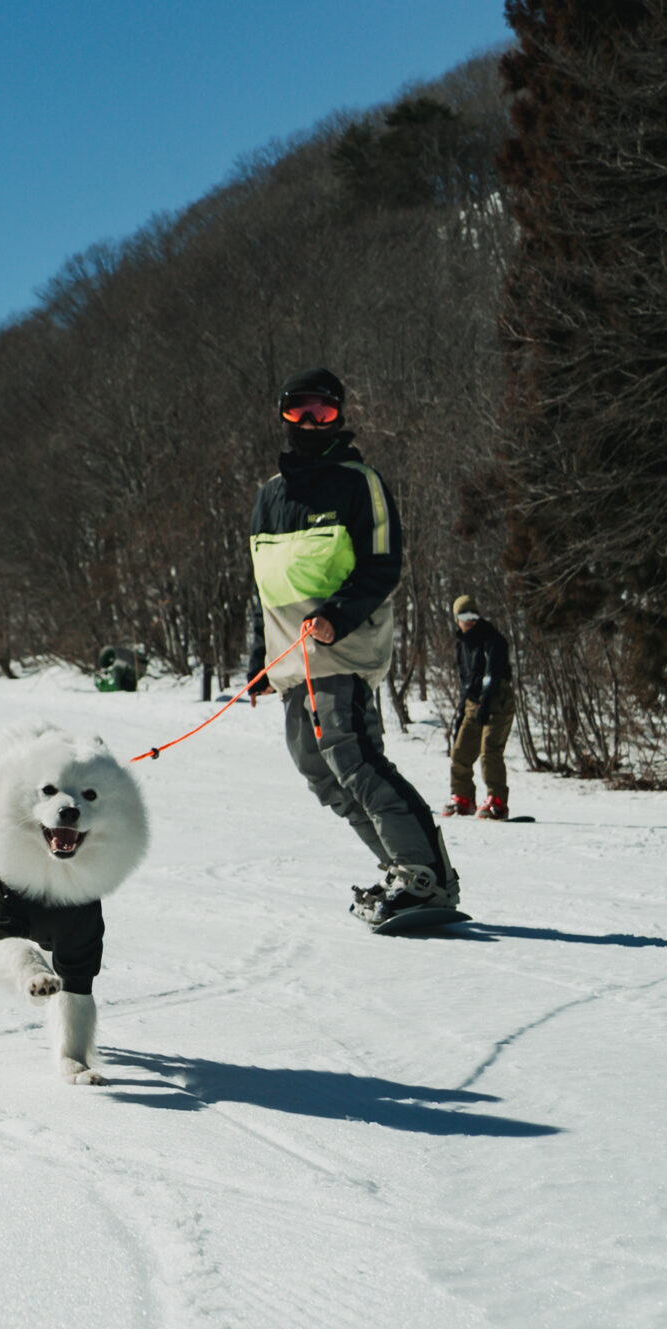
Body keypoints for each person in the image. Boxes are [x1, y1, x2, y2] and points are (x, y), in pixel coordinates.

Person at [245, 367, 460, 927]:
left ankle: (424, 875)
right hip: (292, 663)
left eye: (323, 411)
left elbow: (382, 564)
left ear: (340, 415)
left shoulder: (358, 481)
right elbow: (264, 588)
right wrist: (258, 664)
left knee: (355, 760)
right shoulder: (269, 496)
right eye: (299, 411)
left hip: (342, 652)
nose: (311, 422)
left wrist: (337, 618)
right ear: (283, 416)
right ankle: (402, 872)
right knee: (320, 773)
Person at [445, 594, 516, 820]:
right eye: (464, 616)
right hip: (473, 703)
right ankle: (463, 797)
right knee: (460, 751)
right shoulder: (461, 646)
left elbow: (493, 673)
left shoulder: (492, 640)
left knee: (490, 751)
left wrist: (485, 701)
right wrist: (460, 713)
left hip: (497, 700)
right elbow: (465, 682)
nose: (469, 621)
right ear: (457, 619)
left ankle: (497, 801)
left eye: (473, 615)